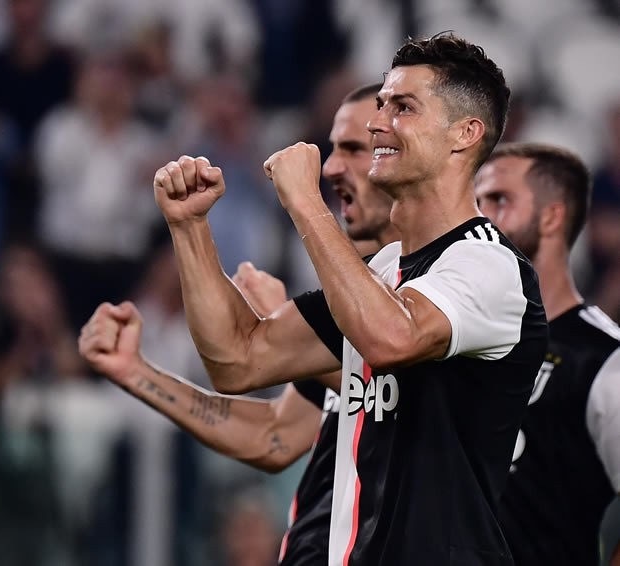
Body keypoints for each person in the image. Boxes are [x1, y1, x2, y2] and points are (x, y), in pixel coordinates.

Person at [152, 33, 547, 565]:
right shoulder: (382, 271)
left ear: (465, 134)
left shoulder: (488, 264)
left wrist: (305, 203)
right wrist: (191, 227)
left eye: (403, 107)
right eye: (381, 105)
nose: (379, 122)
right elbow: (238, 359)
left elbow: (390, 337)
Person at [80, 84, 396, 566]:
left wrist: (285, 340)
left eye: (353, 149)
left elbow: (244, 358)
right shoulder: (356, 300)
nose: (331, 168)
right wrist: (136, 372)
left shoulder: (442, 289)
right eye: (332, 150)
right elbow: (273, 435)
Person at [475, 142, 620, 566]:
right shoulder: (456, 342)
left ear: (552, 216)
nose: (480, 217)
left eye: (499, 200)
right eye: (476, 201)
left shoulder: (602, 358)